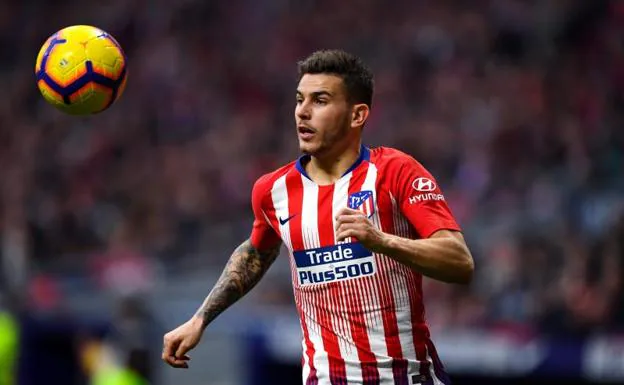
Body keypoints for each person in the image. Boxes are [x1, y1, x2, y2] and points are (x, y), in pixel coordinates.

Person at [162, 49, 474, 385]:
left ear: (357, 115)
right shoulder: (273, 190)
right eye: (299, 100)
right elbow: (256, 252)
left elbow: (460, 262)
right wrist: (200, 319)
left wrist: (382, 241)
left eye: (320, 100)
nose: (303, 112)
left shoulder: (395, 171)